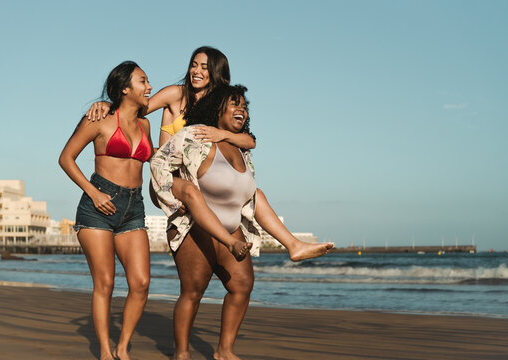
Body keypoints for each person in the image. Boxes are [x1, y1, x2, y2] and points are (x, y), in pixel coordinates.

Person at [87, 46, 334, 261]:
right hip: (170, 180)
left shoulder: (220, 105)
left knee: (255, 193)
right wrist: (108, 104)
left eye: (204, 67)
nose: (196, 71)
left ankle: (293, 245)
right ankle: (230, 242)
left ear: (216, 72)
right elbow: (134, 109)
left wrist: (222, 134)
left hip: (200, 180)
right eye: (194, 65)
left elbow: (249, 140)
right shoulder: (176, 94)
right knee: (192, 192)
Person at [152, 85, 260, 360]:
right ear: (217, 109)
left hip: (230, 227)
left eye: (244, 106)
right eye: (234, 104)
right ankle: (182, 353)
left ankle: (224, 351)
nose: (241, 110)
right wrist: (174, 197)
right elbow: (158, 162)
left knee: (242, 285)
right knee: (193, 291)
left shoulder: (240, 146)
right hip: (194, 227)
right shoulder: (195, 135)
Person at [59, 61, 153, 360]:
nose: (149, 86)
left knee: (140, 282)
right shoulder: (98, 119)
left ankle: (123, 348)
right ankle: (104, 351)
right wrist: (93, 192)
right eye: (143, 81)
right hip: (97, 206)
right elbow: (66, 158)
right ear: (125, 88)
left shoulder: (146, 123)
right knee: (106, 283)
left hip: (133, 207)